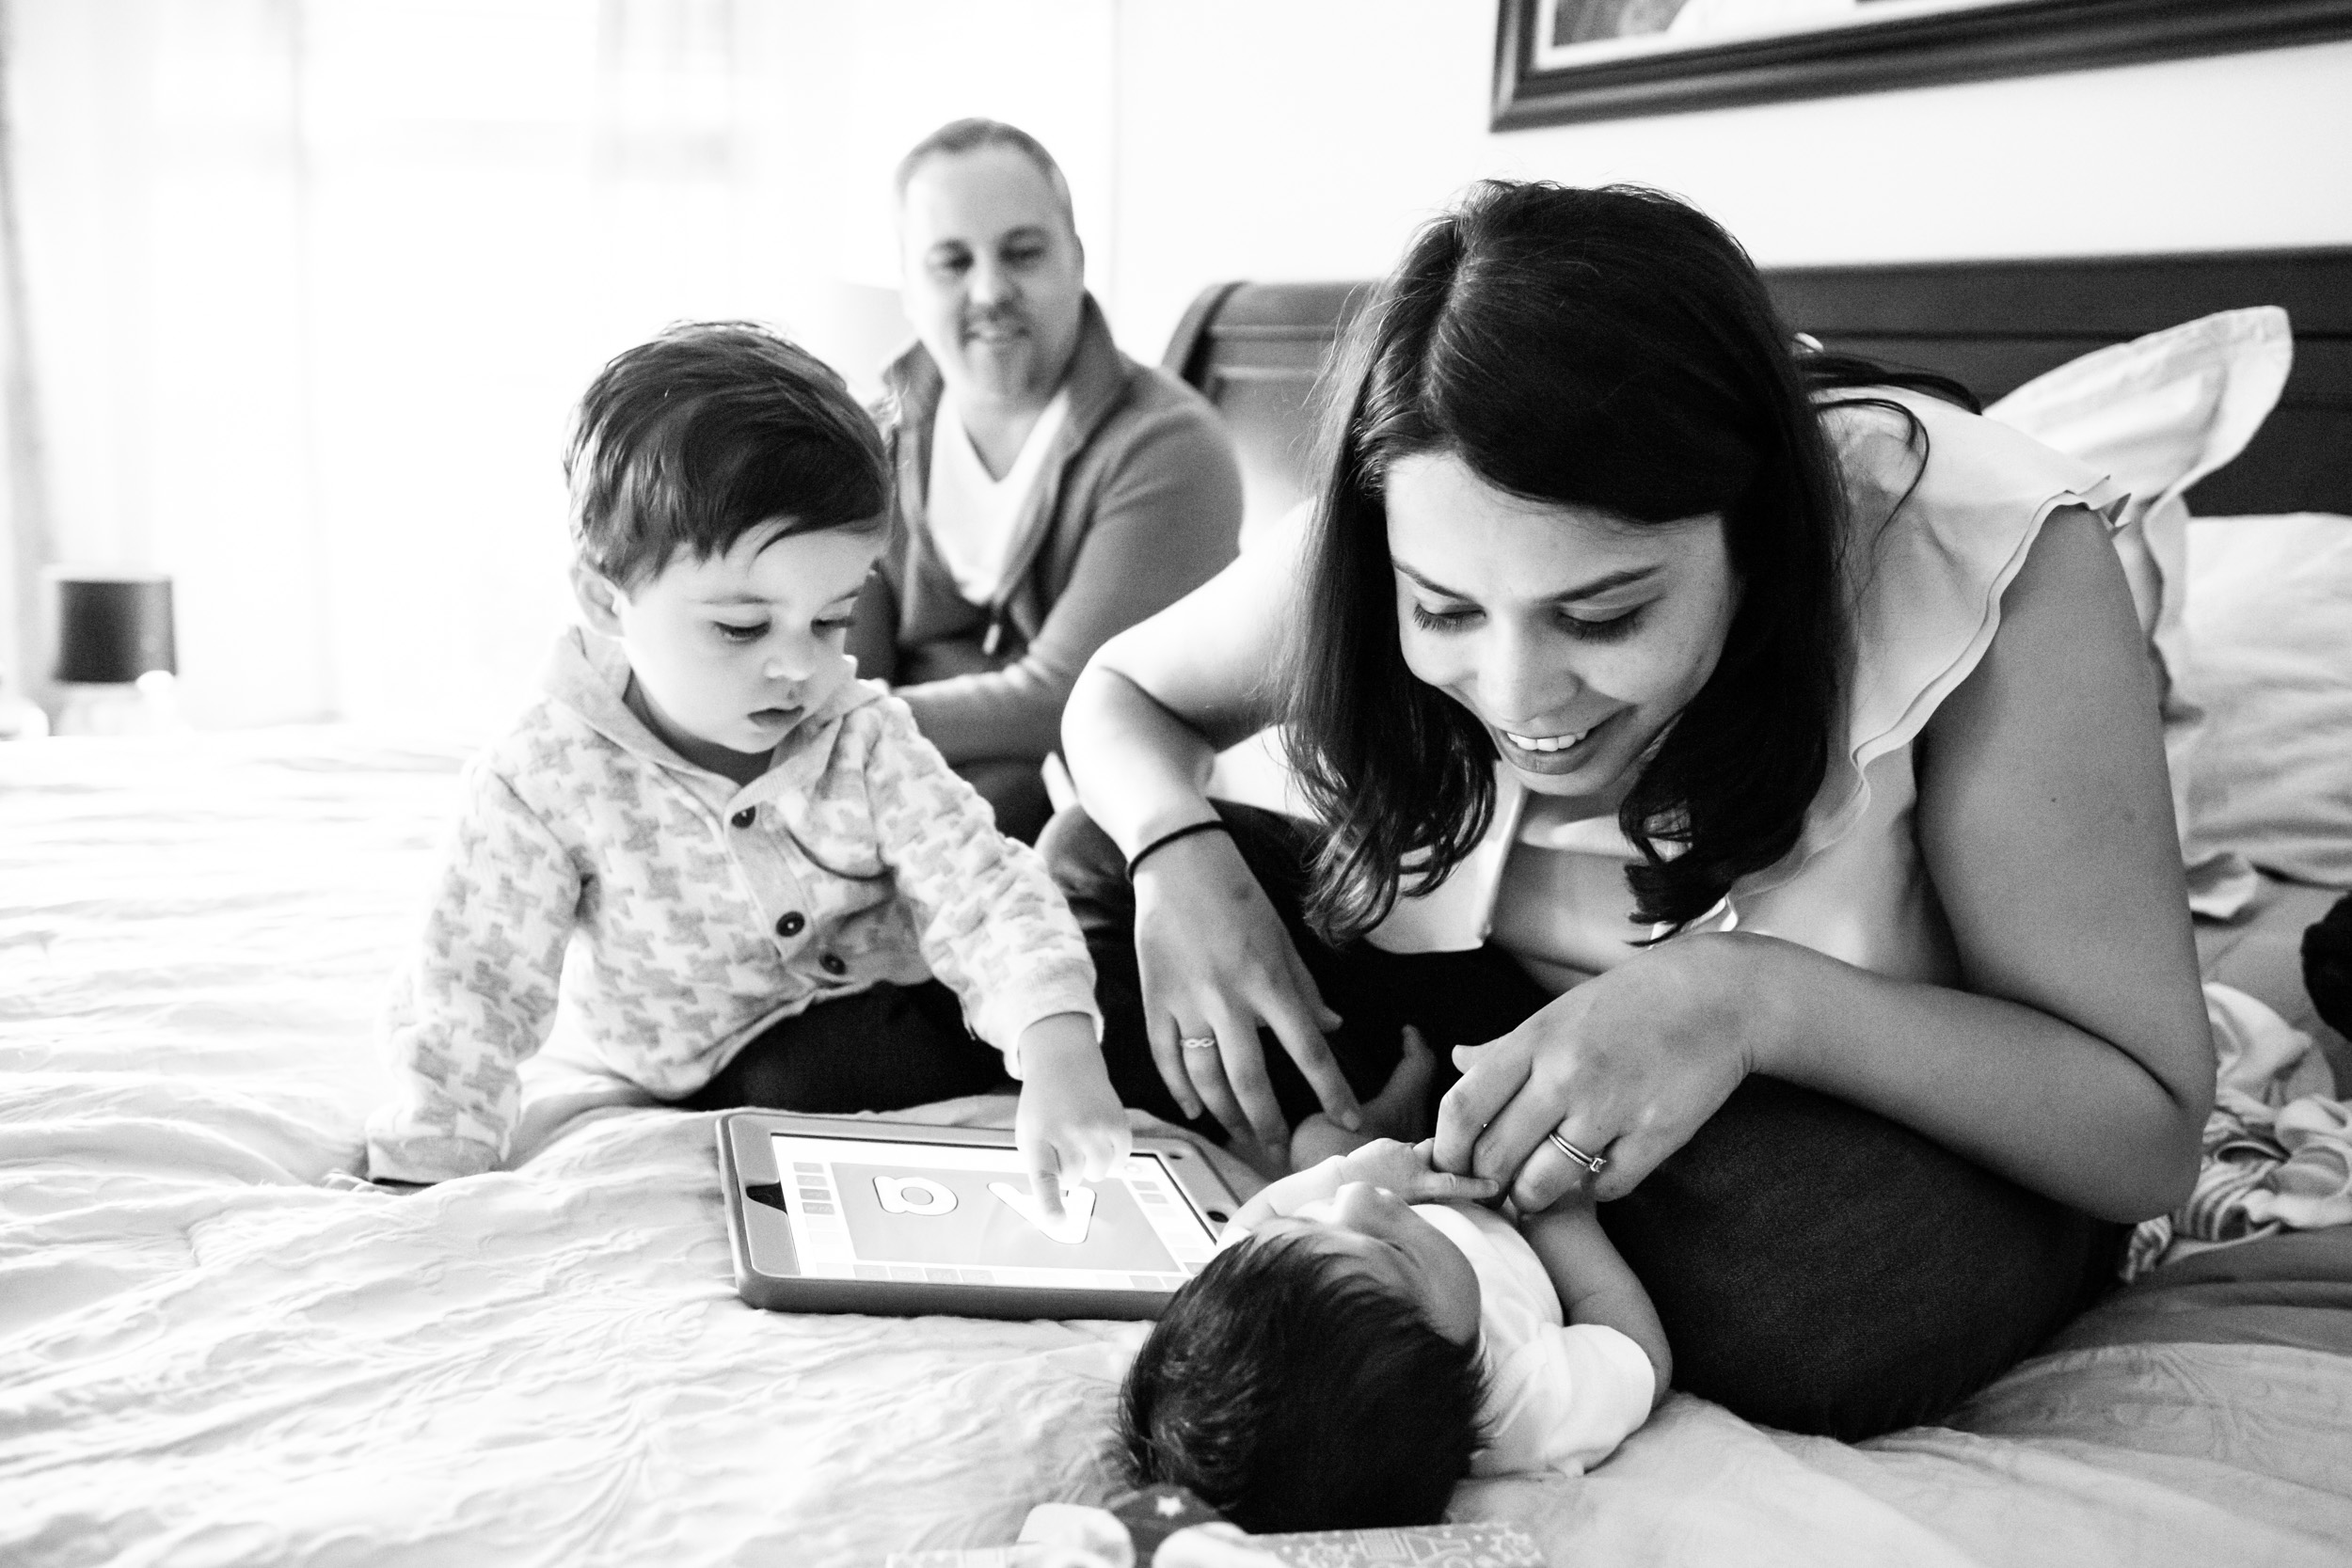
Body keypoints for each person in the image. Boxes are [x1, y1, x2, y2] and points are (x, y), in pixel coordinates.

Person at [1049, 182, 2217, 1438]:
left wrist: (1746, 994)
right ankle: (1482, 1179)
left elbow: (2145, 1133)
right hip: (1482, 1008)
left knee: (1821, 1284)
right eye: (1444, 611)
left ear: (1762, 536)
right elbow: (1116, 698)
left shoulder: (1990, 556)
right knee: (1089, 876)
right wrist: (1180, 856)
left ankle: (1477, 1186)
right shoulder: (1424, 475)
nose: (1519, 697)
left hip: (1835, 1090)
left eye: (1603, 615)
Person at [365, 321, 1129, 1206]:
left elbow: (982, 887)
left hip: (895, 1002)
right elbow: (474, 979)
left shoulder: (863, 733)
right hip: (714, 1056)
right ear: (604, 597)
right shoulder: (542, 776)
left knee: (1083, 988)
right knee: (791, 1088)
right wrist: (429, 1155)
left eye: (832, 619)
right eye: (741, 626)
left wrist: (1058, 1046)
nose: (800, 666)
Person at [849, 119, 1243, 842]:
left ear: (1077, 259)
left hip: (1084, 824)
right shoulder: (872, 440)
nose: (990, 289)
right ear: (908, 286)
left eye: (1022, 253)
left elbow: (1068, 698)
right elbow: (836, 662)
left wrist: (845, 721)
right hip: (884, 796)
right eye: (952, 262)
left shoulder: (1168, 447)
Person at [1118, 1037, 1669, 1532]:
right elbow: (1637, 1352)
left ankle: (1392, 1118)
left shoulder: (1246, 1281)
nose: (1359, 1202)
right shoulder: (1525, 1410)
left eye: (1307, 1225)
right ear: (1455, 1360)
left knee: (1317, 1141)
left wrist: (1343, 1175)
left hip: (1430, 1176)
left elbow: (1263, 1212)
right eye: (1390, 1252)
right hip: (1524, 1228)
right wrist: (1562, 1222)